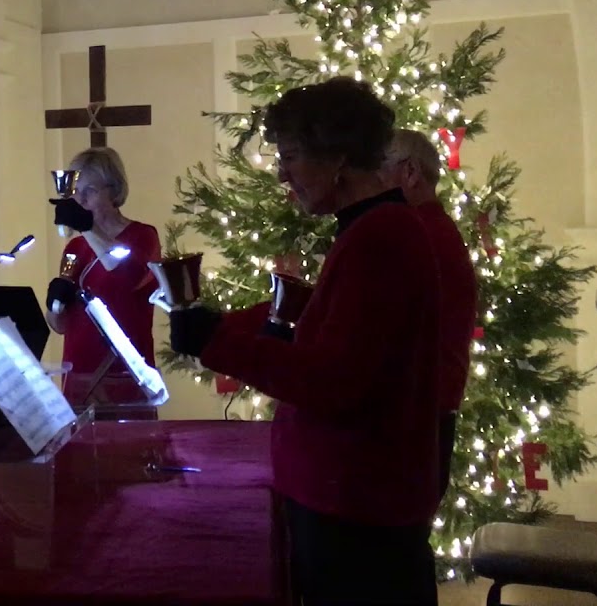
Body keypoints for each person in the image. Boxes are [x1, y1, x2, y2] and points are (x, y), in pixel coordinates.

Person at [169, 77, 442, 605]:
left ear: (337, 157)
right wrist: (228, 327)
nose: (281, 173)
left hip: (356, 506)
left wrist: (215, 342)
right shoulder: (373, 228)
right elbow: (343, 324)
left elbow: (332, 382)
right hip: (359, 498)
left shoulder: (379, 237)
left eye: (290, 156)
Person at [381, 128, 479, 503]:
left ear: (410, 173)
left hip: (413, 420)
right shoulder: (431, 230)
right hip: (422, 413)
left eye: (379, 170)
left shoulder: (419, 236)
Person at [45, 146, 161, 416]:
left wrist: (88, 228)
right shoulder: (75, 248)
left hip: (123, 374)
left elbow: (125, 272)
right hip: (79, 374)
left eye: (90, 191)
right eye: (76, 192)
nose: (81, 200)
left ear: (114, 191)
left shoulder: (143, 236)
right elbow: (59, 325)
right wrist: (54, 304)